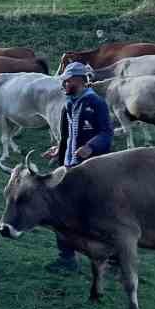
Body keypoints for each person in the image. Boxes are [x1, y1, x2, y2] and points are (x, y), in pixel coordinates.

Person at [43, 60, 113, 273]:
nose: (64, 84)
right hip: (69, 168)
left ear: (80, 81)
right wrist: (58, 150)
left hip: (92, 170)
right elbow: (67, 136)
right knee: (60, 212)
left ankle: (111, 259)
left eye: (67, 80)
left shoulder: (96, 103)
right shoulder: (68, 104)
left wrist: (90, 147)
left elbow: (106, 134)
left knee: (97, 215)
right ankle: (67, 258)